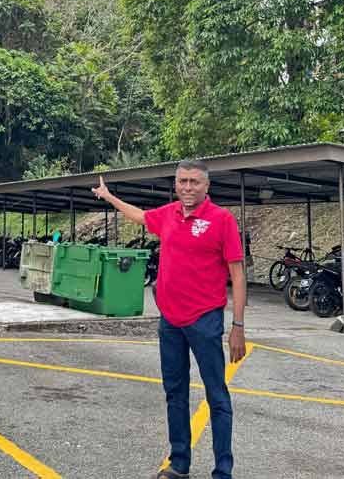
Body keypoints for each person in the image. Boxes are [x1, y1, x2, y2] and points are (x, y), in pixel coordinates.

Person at [92, 159, 247, 479]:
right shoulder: (169, 214)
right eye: (182, 181)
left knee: (216, 395)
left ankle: (223, 471)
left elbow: (237, 273)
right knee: (174, 393)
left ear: (207, 186)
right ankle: (179, 465)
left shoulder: (221, 220)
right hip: (170, 322)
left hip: (205, 321)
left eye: (194, 182)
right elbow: (139, 215)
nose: (188, 187)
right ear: (175, 184)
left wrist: (238, 326)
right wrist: (109, 197)